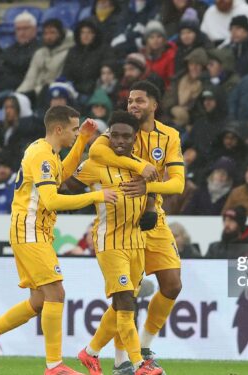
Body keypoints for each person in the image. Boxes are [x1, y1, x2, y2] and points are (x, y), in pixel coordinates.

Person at [0, 106, 116, 375]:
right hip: (30, 230)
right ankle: (54, 365)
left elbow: (64, 174)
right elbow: (52, 199)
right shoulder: (41, 156)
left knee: (39, 301)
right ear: (58, 129)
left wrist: (82, 139)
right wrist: (97, 196)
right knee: (56, 293)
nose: (74, 132)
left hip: (35, 231)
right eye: (73, 129)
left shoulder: (47, 152)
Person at [88, 81, 185, 372]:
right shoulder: (118, 131)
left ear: (154, 105)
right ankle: (121, 362)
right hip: (124, 222)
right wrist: (139, 167)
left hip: (154, 217)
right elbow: (95, 154)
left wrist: (147, 187)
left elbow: (178, 184)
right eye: (130, 100)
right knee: (126, 294)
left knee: (172, 284)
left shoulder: (169, 137)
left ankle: (142, 344)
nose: (133, 106)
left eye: (140, 101)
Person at [71, 111, 162, 375]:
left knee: (121, 303)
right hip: (109, 242)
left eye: (126, 136)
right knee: (125, 302)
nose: (120, 141)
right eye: (115, 135)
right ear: (108, 135)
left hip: (136, 242)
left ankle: (90, 353)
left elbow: (153, 192)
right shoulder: (95, 164)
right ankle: (138, 364)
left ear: (135, 139)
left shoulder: (142, 165)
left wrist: (151, 209)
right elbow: (67, 186)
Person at [0, 12, 41, 102]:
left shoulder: (39, 48)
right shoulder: (13, 47)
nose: (21, 32)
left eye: (25, 28)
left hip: (18, 90)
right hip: (0, 87)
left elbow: (23, 64)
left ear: (35, 30)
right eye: (18, 29)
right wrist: (13, 66)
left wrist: (8, 64)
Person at [16, 18, 75, 98]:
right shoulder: (40, 53)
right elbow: (29, 79)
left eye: (52, 33)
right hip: (34, 93)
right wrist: (18, 95)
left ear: (61, 34)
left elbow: (58, 81)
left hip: (54, 94)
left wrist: (34, 93)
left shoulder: (69, 52)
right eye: (46, 33)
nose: (48, 37)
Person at [62, 19, 109, 98]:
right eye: (82, 32)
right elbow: (66, 73)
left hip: (92, 92)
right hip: (73, 91)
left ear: (95, 34)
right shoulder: (73, 51)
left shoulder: (103, 51)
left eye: (89, 32)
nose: (85, 35)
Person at [142, 21, 178, 89]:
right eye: (151, 37)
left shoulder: (171, 56)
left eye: (159, 36)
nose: (155, 40)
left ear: (163, 39)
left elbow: (171, 81)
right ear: (147, 40)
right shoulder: (142, 57)